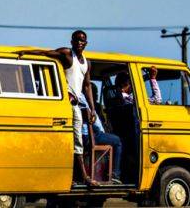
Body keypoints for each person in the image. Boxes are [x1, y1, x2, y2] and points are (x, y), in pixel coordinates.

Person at [16, 30, 98, 186]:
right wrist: (26, 52)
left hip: (76, 105)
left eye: (83, 41)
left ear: (86, 43)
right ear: (72, 42)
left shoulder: (87, 62)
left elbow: (87, 86)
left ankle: (77, 177)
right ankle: (83, 178)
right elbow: (46, 53)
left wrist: (92, 108)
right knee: (72, 141)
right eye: (77, 40)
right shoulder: (67, 54)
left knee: (77, 141)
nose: (80, 43)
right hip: (66, 104)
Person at [79, 85, 122, 184]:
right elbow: (93, 123)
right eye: (95, 94)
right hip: (91, 136)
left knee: (110, 138)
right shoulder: (86, 103)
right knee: (118, 141)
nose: (96, 96)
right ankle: (115, 173)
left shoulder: (80, 100)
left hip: (87, 135)